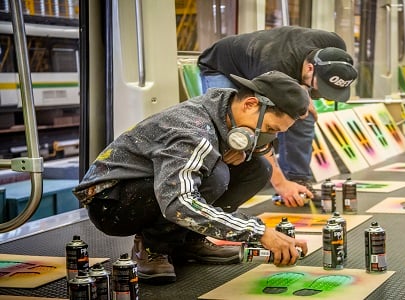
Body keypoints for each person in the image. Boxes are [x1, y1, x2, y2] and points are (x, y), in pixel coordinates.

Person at [73, 71, 309, 284]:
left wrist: (247, 149)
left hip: (143, 188)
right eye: (270, 129)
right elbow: (179, 202)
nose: (269, 137)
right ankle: (154, 247)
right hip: (111, 203)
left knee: (257, 168)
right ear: (250, 104)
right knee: (216, 175)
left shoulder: (224, 110)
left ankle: (189, 241)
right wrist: (259, 232)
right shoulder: (192, 131)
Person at [198, 26, 358, 207]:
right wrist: (280, 184)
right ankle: (221, 192)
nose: (320, 92)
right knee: (233, 126)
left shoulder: (335, 46)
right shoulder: (274, 65)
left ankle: (298, 180)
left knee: (303, 115)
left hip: (269, 61)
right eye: (320, 86)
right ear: (310, 68)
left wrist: (304, 92)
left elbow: (301, 83)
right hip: (221, 65)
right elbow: (258, 126)